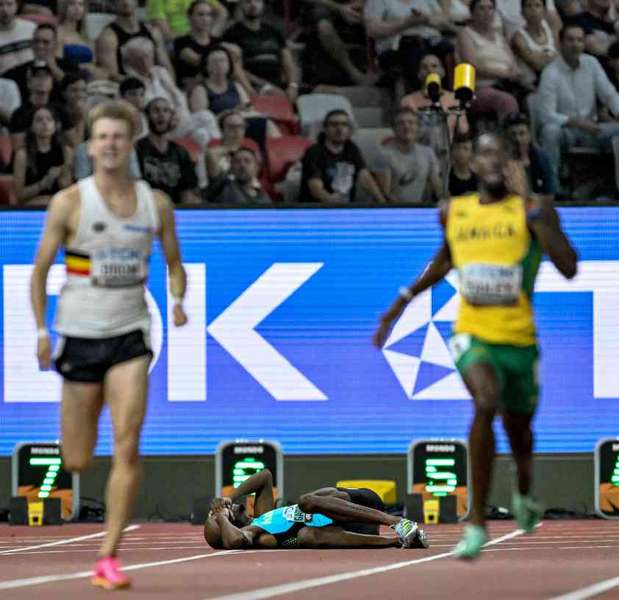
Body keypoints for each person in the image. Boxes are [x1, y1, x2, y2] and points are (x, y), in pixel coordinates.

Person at [374, 133, 578, 559]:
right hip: (472, 333)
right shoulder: (454, 211)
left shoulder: (532, 211)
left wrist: (538, 216)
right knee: (485, 403)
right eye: (483, 153)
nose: (491, 162)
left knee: (521, 433)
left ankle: (523, 491)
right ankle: (478, 524)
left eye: (499, 155)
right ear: (472, 162)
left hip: (519, 340)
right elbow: (445, 260)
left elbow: (570, 267)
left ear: (511, 164)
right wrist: (399, 305)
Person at [30, 99, 190, 590]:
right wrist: (41, 330)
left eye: (119, 137)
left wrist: (178, 299)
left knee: (129, 441)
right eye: (102, 137)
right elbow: (39, 272)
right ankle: (79, 444)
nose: (111, 145)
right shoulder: (70, 202)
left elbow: (174, 263)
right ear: (90, 144)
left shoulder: (154, 203)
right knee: (76, 457)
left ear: (131, 142)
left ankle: (108, 555)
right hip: (79, 333)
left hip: (130, 334)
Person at [203, 469, 428, 549]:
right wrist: (221, 517)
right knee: (306, 534)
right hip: (355, 530)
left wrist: (227, 496)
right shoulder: (254, 534)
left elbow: (264, 476)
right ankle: (401, 538)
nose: (231, 506)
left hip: (360, 504)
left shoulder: (263, 515)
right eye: (228, 511)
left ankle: (398, 523)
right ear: (229, 524)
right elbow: (235, 542)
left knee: (307, 501)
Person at [535, 24, 619, 184]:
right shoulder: (550, 72)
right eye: (570, 40)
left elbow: (609, 93)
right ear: (561, 43)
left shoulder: (592, 63)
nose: (575, 44)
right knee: (550, 132)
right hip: (566, 132)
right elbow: (546, 115)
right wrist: (576, 122)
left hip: (592, 130)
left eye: (579, 40)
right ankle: (552, 188)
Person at [300, 108, 387, 203]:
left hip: (345, 209)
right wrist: (334, 203)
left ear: (349, 129)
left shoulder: (351, 148)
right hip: (318, 209)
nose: (340, 129)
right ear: (325, 129)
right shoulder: (314, 152)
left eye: (344, 125)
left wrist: (382, 201)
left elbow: (365, 177)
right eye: (334, 125)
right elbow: (315, 188)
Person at [222, 0, 300, 103]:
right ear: (241, 5)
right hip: (253, 86)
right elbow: (235, 68)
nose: (253, 4)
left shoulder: (274, 31)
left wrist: (293, 86)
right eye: (248, 2)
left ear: (263, 4)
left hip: (280, 85)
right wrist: (264, 85)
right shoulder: (232, 34)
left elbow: (289, 64)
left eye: (257, 1)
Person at [135, 97, 202, 204]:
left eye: (166, 111)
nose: (161, 115)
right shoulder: (137, 149)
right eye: (156, 110)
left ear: (171, 117)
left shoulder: (181, 152)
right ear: (147, 116)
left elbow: (187, 191)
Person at [374, 107, 442, 202]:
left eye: (411, 122)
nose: (406, 126)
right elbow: (385, 195)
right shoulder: (384, 155)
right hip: (394, 210)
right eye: (401, 123)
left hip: (418, 209)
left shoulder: (428, 153)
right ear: (394, 129)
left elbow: (437, 186)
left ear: (418, 127)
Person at [97, 0, 175, 81]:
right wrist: (143, 84)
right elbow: (111, 76)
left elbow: (166, 66)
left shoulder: (152, 31)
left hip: (158, 87)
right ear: (113, 4)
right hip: (130, 89)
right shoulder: (107, 37)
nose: (125, 1)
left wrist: (172, 88)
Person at [13, 105, 72, 205]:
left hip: (58, 207)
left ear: (55, 126)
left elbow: (68, 190)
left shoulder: (65, 151)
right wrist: (43, 184)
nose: (45, 123)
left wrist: (62, 175)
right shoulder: (22, 155)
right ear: (31, 127)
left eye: (49, 119)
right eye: (39, 120)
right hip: (33, 207)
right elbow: (19, 195)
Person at [206, 146, 272, 204]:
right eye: (237, 161)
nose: (242, 165)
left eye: (247, 161)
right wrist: (230, 148)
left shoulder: (264, 197)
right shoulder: (223, 185)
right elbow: (211, 154)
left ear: (256, 168)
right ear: (231, 168)